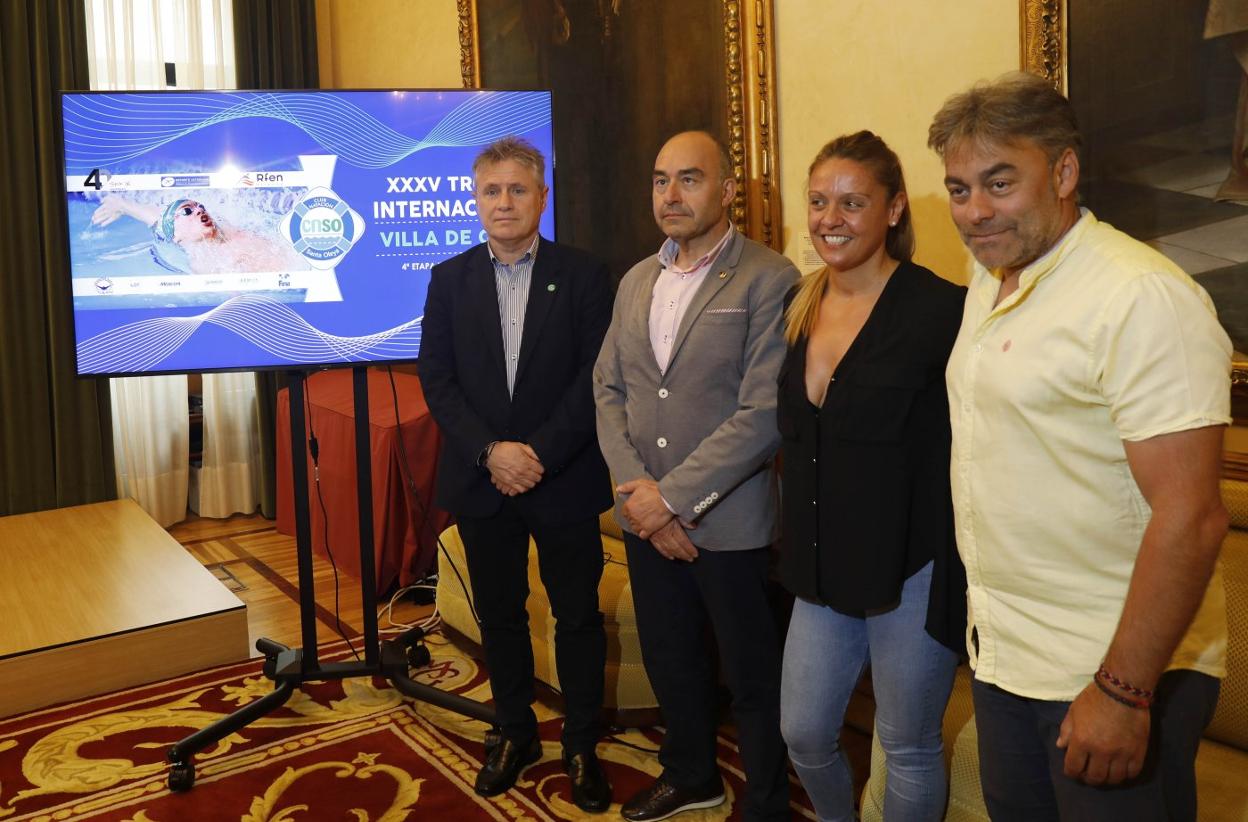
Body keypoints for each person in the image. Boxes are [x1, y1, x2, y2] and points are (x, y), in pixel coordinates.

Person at [929, 72, 1232, 821]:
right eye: (959, 189)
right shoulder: (988, 276)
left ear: (1064, 171)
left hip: (1115, 671)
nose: (975, 211)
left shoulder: (1140, 297)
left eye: (1000, 182)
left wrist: (1122, 691)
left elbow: (1190, 518)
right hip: (1008, 657)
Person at [593, 130, 798, 822]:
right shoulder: (635, 281)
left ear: (727, 190)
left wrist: (675, 501)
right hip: (647, 518)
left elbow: (765, 412)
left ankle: (766, 801)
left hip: (729, 523)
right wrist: (642, 502)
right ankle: (691, 775)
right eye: (660, 180)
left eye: (689, 179)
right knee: (671, 656)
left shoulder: (771, 278)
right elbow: (610, 392)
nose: (671, 195)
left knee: (750, 675)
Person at [418, 136, 614, 812]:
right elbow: (437, 383)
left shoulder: (587, 275)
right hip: (482, 481)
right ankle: (515, 731)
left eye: (517, 190)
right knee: (499, 615)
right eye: (491, 191)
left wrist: (536, 455)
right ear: (476, 200)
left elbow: (596, 379)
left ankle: (582, 743)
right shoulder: (450, 278)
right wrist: (491, 453)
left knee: (577, 616)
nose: (504, 202)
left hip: (564, 477)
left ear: (541, 197)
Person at [775, 131, 966, 821]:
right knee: (801, 730)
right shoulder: (797, 304)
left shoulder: (942, 311)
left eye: (853, 202)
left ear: (891, 211)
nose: (832, 217)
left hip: (911, 568)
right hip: (821, 569)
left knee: (907, 743)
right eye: (820, 201)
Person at [91, 194, 307, 273]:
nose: (200, 210)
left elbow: (156, 215)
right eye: (188, 211)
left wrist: (122, 204)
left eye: (200, 206)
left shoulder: (224, 225)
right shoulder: (207, 265)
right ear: (176, 236)